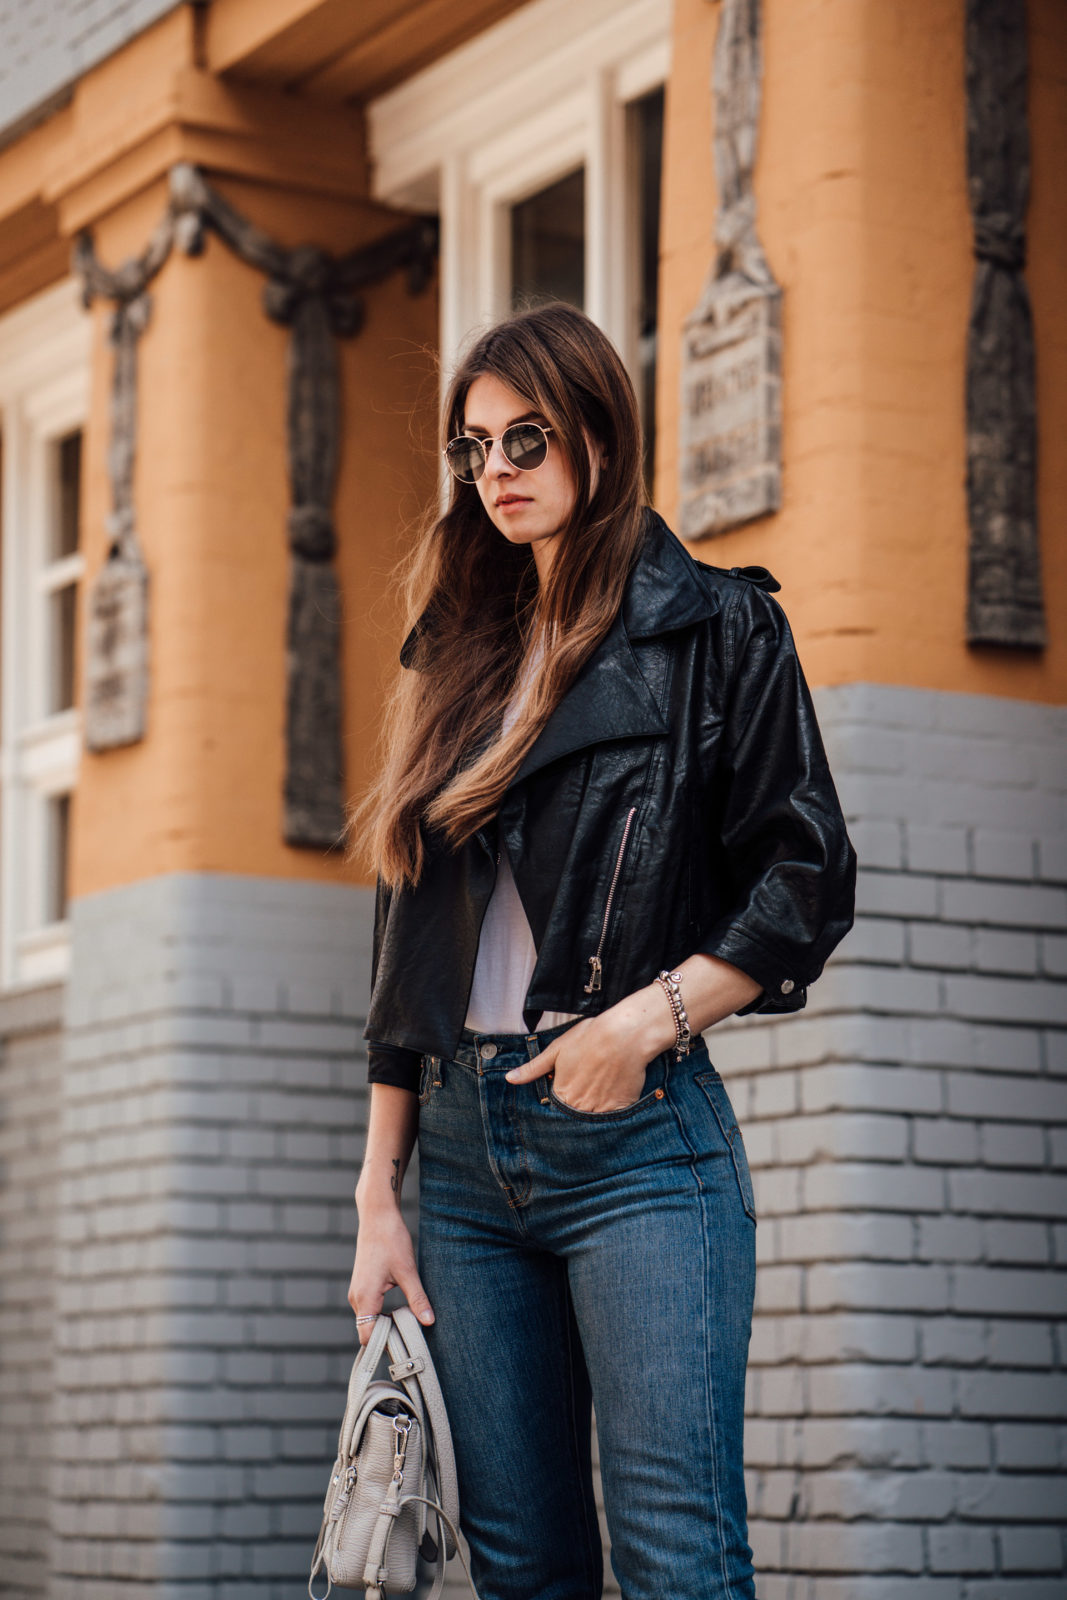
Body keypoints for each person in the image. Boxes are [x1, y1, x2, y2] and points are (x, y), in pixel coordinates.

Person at [346, 302, 855, 1600]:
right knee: (523, 1567)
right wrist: (378, 1192)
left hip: (637, 1148)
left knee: (677, 1557)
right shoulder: (459, 648)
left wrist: (643, 1023)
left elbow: (807, 877)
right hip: (464, 1161)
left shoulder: (718, 630)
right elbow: (406, 935)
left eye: (526, 438)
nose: (497, 470)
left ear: (599, 435)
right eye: (473, 448)